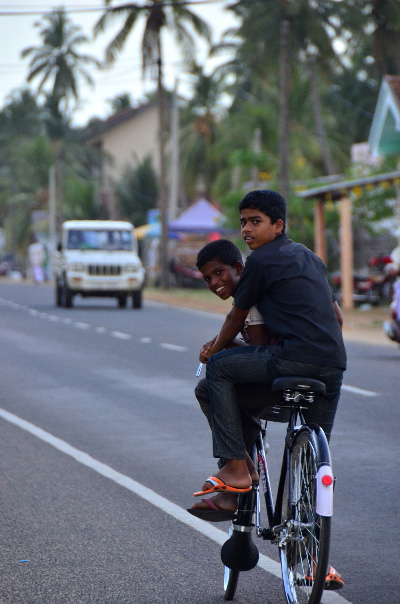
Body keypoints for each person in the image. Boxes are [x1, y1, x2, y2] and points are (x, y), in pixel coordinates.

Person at [194, 189, 346, 500]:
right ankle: (309, 522)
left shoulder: (260, 261)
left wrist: (213, 350)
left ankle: (237, 468)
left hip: (290, 357)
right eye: (243, 222)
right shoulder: (310, 257)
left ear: (278, 225)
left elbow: (236, 318)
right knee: (315, 459)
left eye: (255, 221)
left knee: (219, 370)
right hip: (333, 365)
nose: (246, 229)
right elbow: (338, 319)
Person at [190, 239, 286, 521]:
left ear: (238, 268)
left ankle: (240, 468)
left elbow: (257, 356)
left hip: (276, 377)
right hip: (297, 366)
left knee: (208, 388)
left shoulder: (250, 296)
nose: (214, 282)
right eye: (207, 278)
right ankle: (239, 472)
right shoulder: (246, 295)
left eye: (219, 273)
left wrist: (221, 348)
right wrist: (222, 343)